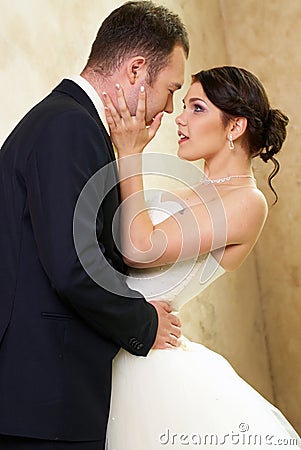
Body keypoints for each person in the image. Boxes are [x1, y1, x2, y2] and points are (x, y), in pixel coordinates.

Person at [0, 2, 189, 449]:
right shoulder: (70, 127)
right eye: (170, 88)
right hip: (45, 400)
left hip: (40, 399)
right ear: (137, 69)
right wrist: (144, 323)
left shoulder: (64, 121)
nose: (169, 106)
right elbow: (74, 265)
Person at [103, 66, 301, 449]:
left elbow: (141, 248)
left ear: (234, 127)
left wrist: (129, 152)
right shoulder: (198, 190)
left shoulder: (247, 202)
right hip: (121, 338)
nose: (179, 117)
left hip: (146, 369)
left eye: (196, 108)